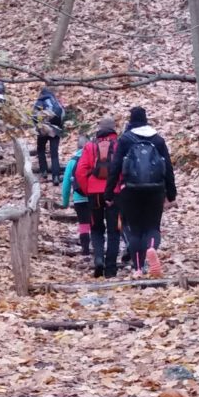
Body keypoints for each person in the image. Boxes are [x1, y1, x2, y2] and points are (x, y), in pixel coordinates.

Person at [106, 106, 176, 277]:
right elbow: (167, 167)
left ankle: (138, 268)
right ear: (146, 119)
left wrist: (108, 193)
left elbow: (115, 168)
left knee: (135, 230)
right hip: (156, 189)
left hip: (130, 190)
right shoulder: (158, 140)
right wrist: (171, 193)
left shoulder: (125, 140)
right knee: (152, 226)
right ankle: (151, 247)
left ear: (131, 121)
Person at [75, 118, 121, 278]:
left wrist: (88, 190)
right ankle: (111, 268)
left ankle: (99, 259)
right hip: (114, 193)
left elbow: (80, 171)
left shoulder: (90, 146)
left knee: (96, 228)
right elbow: (124, 169)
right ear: (114, 129)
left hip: (94, 193)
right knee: (114, 231)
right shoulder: (119, 145)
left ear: (99, 130)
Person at [61, 134, 91, 256]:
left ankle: (85, 248)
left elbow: (66, 183)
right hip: (93, 196)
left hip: (79, 198)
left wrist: (65, 201)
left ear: (77, 147)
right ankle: (97, 246)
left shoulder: (72, 162)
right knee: (94, 222)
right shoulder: (92, 158)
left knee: (83, 223)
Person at [34, 87, 66, 176]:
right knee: (54, 153)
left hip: (42, 129)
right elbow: (63, 115)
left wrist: (37, 126)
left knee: (41, 149)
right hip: (55, 129)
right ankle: (55, 176)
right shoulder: (56, 102)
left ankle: (43, 171)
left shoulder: (39, 102)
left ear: (41, 94)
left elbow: (34, 117)